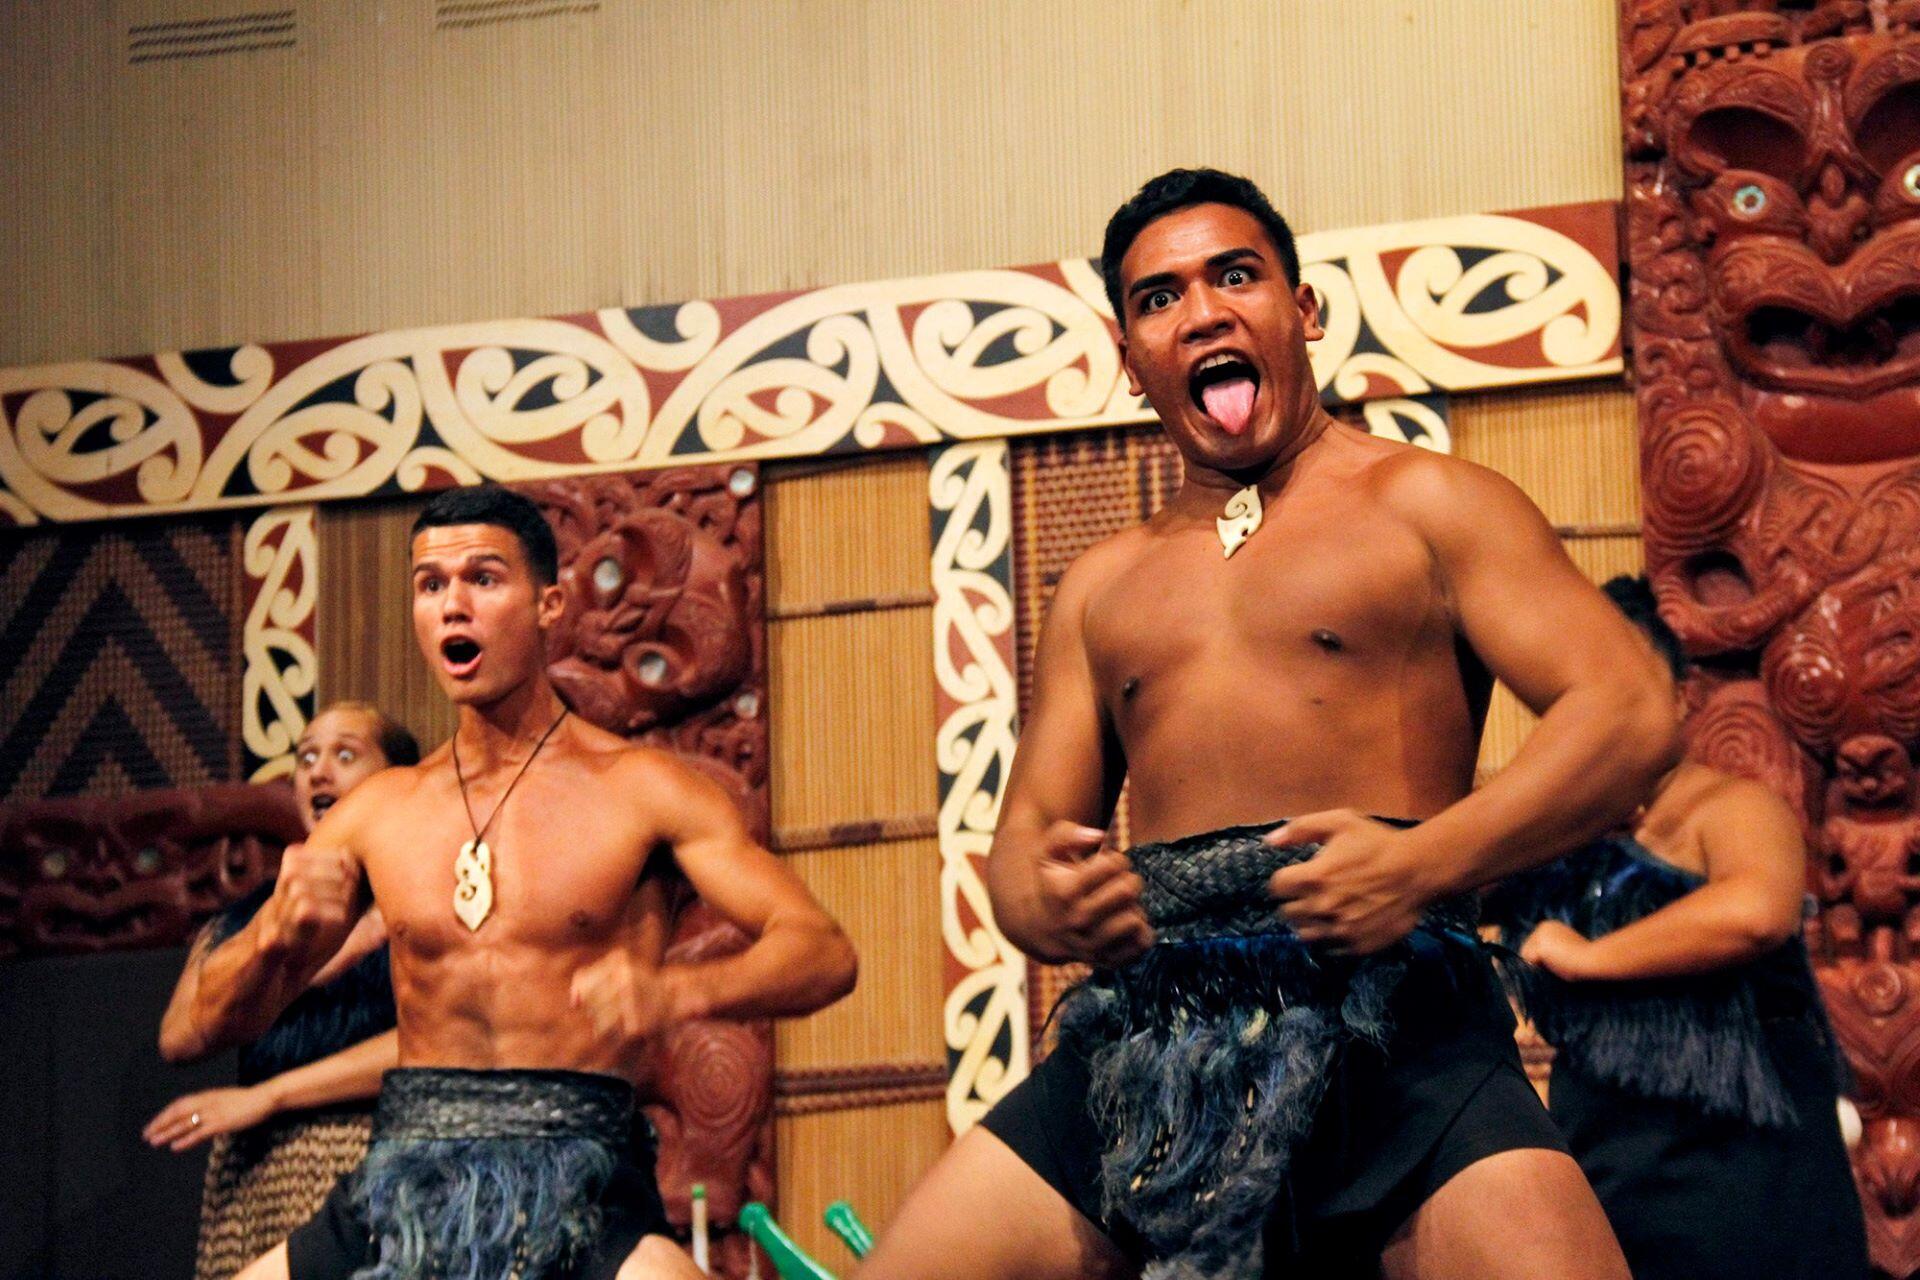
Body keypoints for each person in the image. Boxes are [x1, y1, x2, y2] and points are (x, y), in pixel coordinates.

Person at [861, 168, 1677, 1280]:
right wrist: (1043, 899)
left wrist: (1420, 861)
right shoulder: (1104, 583)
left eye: (1234, 275)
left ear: (1302, 311)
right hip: (1151, 1027)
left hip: (1398, 1020)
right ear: (1131, 357)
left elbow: (1629, 710)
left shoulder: (1428, 502)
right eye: (1159, 298)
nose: (1201, 311)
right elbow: (1019, 847)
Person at [185, 484, 858, 1280]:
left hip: (584, 1180)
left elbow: (823, 951)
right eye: (431, 586)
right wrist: (272, 938)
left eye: (483, 579)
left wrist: (677, 994)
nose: (453, 607)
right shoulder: (379, 812)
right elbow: (197, 1029)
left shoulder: (642, 789)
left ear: (549, 604)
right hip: (402, 1181)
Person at [1489, 576, 1869, 1280]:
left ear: (1679, 698)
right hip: (1605, 1150)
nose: (1609, 709)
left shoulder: (1728, 806)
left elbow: (1755, 911)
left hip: (1741, 1150)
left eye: (1630, 684)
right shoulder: (1554, 829)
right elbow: (1434, 882)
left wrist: (1591, 956)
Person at [147, 702, 420, 1280]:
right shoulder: (250, 916)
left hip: (372, 1151)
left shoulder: (422, 901)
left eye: (345, 755)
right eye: (306, 757)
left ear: (396, 780)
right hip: (257, 1172)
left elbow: (435, 1042)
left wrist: (269, 1095)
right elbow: (178, 1038)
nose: (319, 772)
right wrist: (279, 939)